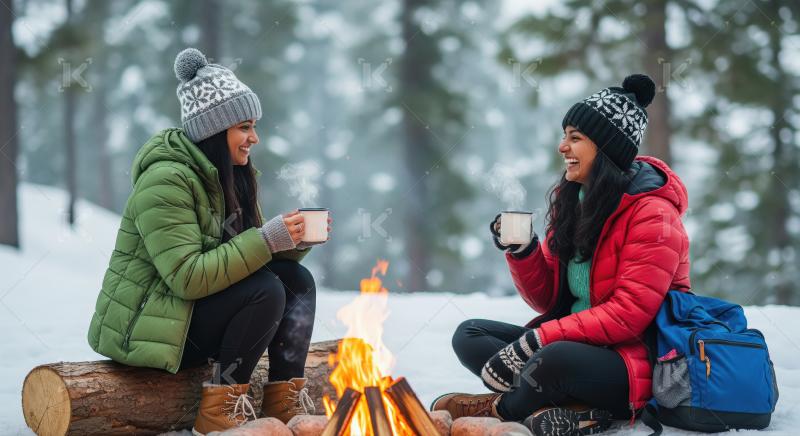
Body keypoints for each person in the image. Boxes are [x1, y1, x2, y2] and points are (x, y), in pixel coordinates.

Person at [87, 48, 332, 435]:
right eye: (245, 127)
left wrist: (291, 241)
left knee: (295, 281)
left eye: (254, 127)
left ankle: (284, 402)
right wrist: (266, 240)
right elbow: (187, 277)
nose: (254, 138)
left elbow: (241, 257)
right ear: (216, 129)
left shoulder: (230, 175)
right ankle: (220, 411)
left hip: (189, 314)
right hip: (151, 329)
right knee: (265, 289)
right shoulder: (165, 180)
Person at [431, 74, 691, 435]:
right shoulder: (575, 203)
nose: (562, 147)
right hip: (570, 348)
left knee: (552, 358)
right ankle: (574, 410)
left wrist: (539, 340)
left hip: (632, 364)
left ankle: (501, 411)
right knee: (470, 334)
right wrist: (524, 252)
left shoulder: (654, 216)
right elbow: (548, 301)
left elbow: (628, 315)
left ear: (606, 147)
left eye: (575, 138)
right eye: (564, 135)